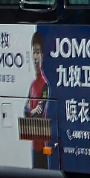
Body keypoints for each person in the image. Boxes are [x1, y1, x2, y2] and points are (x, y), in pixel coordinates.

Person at [24, 32, 52, 169]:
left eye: (38, 52)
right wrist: (31, 112)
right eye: (33, 52)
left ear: (42, 56)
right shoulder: (32, 85)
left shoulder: (45, 85)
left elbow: (39, 112)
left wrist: (31, 112)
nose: (35, 57)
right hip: (34, 146)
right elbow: (25, 110)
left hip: (43, 146)